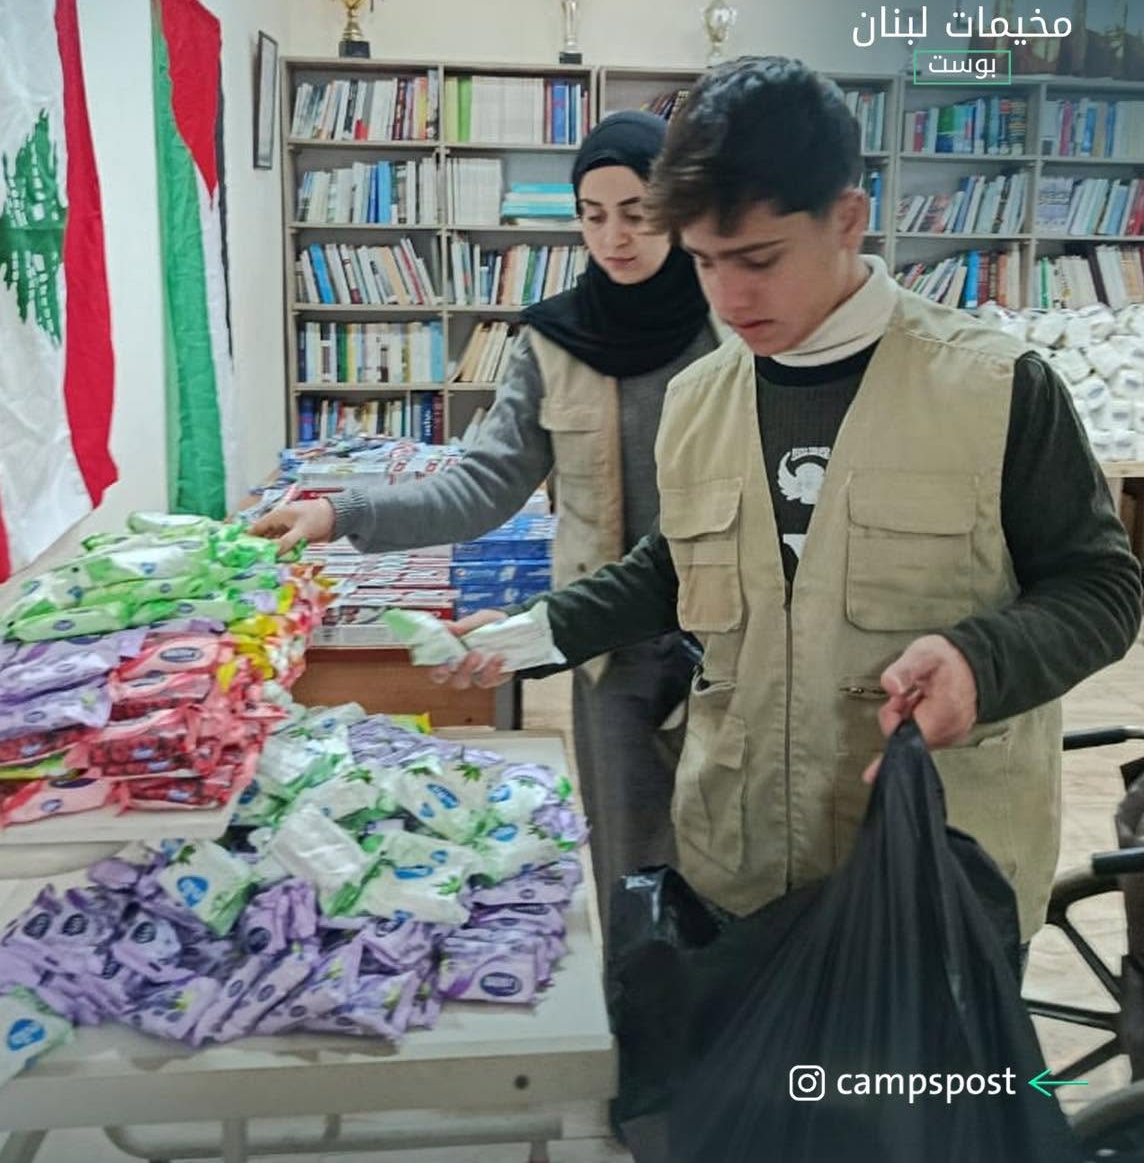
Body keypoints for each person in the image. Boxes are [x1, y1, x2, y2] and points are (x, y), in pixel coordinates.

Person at [432, 55, 1144, 950]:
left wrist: (981, 662)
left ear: (847, 219)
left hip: (933, 869)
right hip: (742, 860)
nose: (730, 297)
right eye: (704, 261)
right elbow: (675, 567)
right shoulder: (701, 396)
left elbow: (1102, 589)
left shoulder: (996, 386)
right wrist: (533, 632)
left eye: (759, 259)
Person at [253, 110, 723, 931]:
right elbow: (482, 487)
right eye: (593, 215)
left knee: (732, 863)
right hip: (606, 646)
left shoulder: (732, 330)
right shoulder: (553, 342)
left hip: (734, 644)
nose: (614, 238)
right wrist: (338, 510)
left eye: (638, 213)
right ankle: (638, 1002)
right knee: (632, 864)